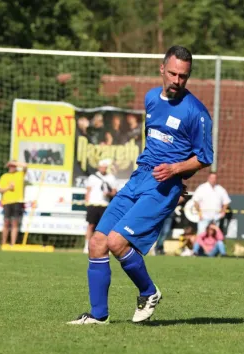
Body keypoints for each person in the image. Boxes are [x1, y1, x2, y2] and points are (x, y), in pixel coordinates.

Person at [68, 45, 213, 325]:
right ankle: (98, 316)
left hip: (164, 184)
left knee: (116, 241)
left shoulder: (197, 112)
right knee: (98, 242)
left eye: (183, 76)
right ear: (161, 69)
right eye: (172, 73)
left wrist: (176, 170)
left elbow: (205, 157)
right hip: (139, 177)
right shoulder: (150, 98)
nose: (177, 80)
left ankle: (148, 292)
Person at [83, 159, 117, 254]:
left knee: (105, 227)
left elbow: (114, 192)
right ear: (99, 167)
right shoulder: (92, 177)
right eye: (102, 166)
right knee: (91, 225)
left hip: (105, 204)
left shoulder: (111, 178)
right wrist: (87, 202)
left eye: (105, 167)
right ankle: (86, 246)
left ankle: (107, 247)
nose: (103, 168)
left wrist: (109, 194)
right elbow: (88, 190)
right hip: (93, 204)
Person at [0, 160, 28, 247]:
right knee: (6, 222)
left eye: (13, 166)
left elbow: (25, 165)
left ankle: (13, 244)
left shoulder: (20, 174)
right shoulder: (4, 176)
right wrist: (8, 187)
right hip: (7, 202)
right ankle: (3, 243)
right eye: (10, 166)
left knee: (15, 223)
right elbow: (0, 190)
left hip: (17, 201)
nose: (12, 167)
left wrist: (15, 163)